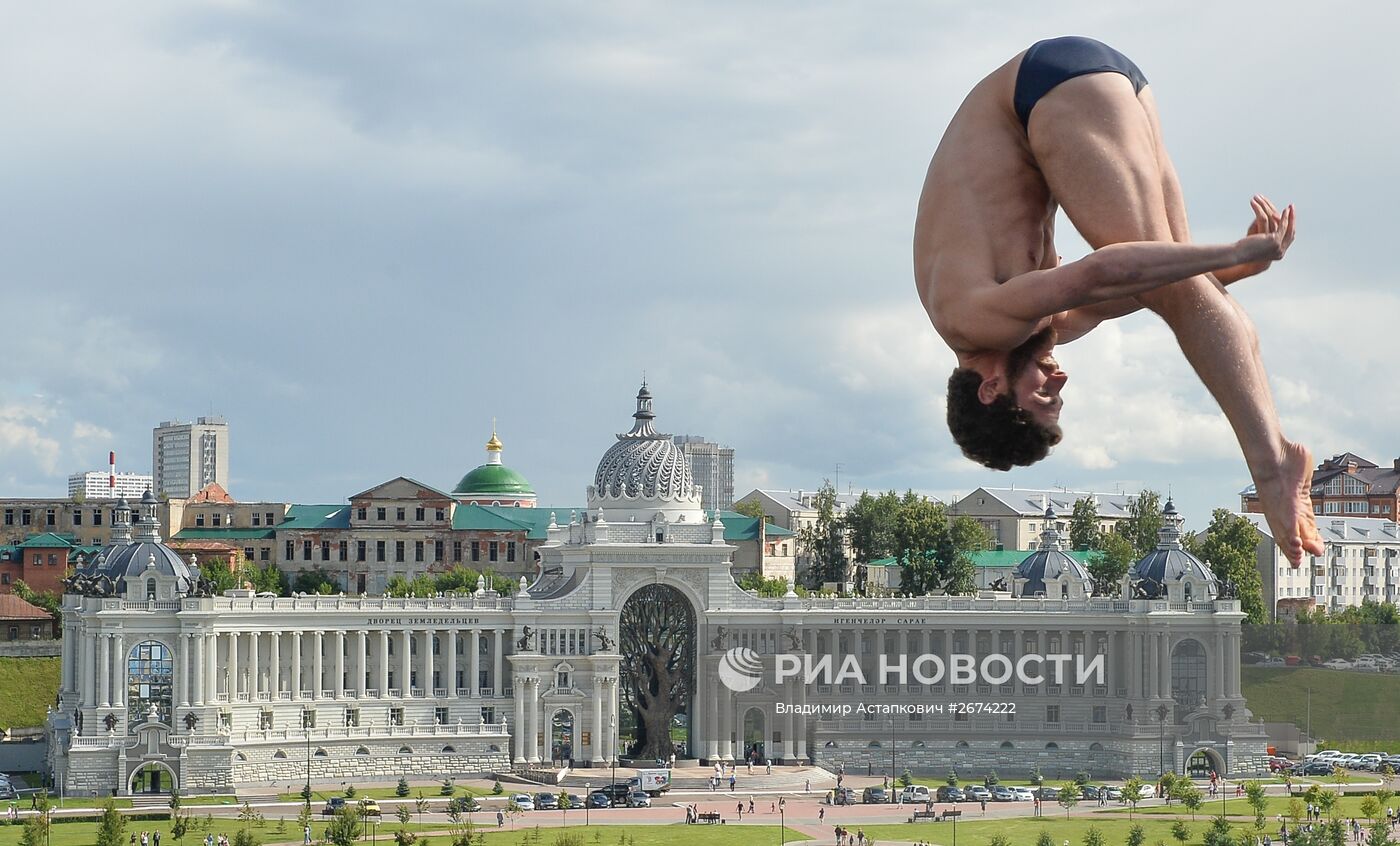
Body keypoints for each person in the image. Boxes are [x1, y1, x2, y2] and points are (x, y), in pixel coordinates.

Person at [913, 35, 1323, 566]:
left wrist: (1231, 248)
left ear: (991, 388)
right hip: (1091, 87)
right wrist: (1234, 268)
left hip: (1044, 95)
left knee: (1180, 290)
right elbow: (1137, 287)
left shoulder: (972, 316)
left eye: (1043, 395)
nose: (1060, 380)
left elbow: (1109, 267)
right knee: (1185, 289)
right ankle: (1275, 458)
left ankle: (1271, 465)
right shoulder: (1036, 326)